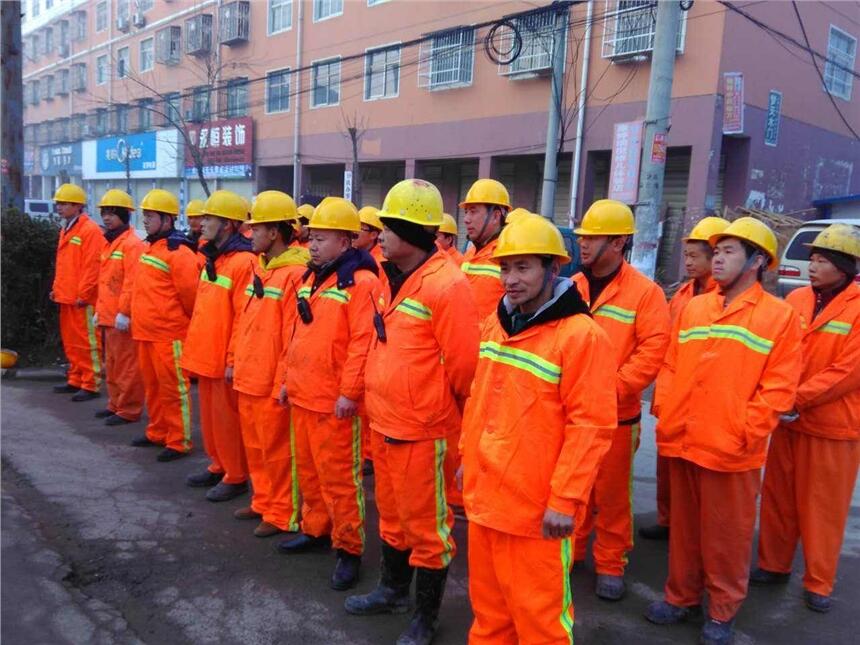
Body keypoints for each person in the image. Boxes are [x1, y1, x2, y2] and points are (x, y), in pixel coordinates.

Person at [459, 215, 617, 644]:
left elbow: (591, 426)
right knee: (489, 618)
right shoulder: (498, 324)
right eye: (505, 268)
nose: (510, 279)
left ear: (553, 268)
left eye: (524, 267)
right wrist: (466, 459)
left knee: (540, 624)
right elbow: (479, 399)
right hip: (487, 500)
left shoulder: (581, 336)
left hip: (536, 514)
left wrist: (564, 501)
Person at [645, 217, 802, 645]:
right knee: (686, 531)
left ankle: (722, 610)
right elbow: (673, 365)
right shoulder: (695, 307)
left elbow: (779, 388)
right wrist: (667, 410)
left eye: (729, 252)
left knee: (726, 538)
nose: (717, 259)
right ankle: (681, 597)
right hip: (683, 439)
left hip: (732, 449)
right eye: (716, 251)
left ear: (756, 262)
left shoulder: (778, 317)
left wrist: (745, 431)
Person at [345, 179, 479, 645]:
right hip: (385, 422)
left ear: (415, 233)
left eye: (389, 227)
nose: (379, 235)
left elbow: (465, 369)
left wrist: (446, 416)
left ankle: (425, 617)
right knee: (393, 518)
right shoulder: (388, 275)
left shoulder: (448, 285)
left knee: (428, 529)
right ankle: (392, 589)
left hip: (423, 430)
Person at [751, 223, 860, 614]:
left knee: (823, 509)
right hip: (787, 420)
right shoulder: (794, 299)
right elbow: (775, 352)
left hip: (833, 426)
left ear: (845, 267)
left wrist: (795, 397)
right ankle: (773, 564)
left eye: (822, 261)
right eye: (811, 259)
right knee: (778, 498)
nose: (812, 266)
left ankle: (819, 581)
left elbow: (848, 372)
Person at [277, 197, 381, 592]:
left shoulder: (362, 282)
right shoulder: (311, 278)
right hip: (305, 395)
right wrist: (287, 380)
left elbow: (362, 343)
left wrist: (349, 393)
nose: (313, 244)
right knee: (309, 473)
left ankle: (349, 549)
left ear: (346, 240)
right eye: (313, 237)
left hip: (335, 403)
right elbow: (296, 334)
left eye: (322, 238)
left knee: (340, 481)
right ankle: (316, 529)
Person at [571, 199, 671, 600]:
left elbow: (652, 351)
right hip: (573, 414)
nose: (584, 245)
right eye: (583, 237)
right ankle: (574, 550)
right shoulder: (571, 285)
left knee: (612, 496)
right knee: (574, 488)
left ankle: (611, 563)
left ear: (619, 242)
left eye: (593, 238)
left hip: (617, 416)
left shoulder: (645, 294)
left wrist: (610, 389)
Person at [640, 215, 730, 541]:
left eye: (695, 256)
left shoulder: (725, 299)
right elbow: (667, 348)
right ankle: (668, 520)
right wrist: (662, 398)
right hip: (675, 393)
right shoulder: (682, 295)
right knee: (668, 466)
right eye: (687, 255)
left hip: (706, 401)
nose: (688, 262)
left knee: (700, 474)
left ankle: (693, 527)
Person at [231, 191, 309, 538]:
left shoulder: (295, 274)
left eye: (257, 228)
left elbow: (294, 335)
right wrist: (234, 360)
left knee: (278, 452)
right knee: (256, 448)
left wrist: (283, 380)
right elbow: (243, 320)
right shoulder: (261, 269)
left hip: (270, 381)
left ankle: (282, 512)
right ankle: (263, 501)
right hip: (249, 376)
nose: (251, 234)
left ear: (275, 232)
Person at [182, 190, 255, 502]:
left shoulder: (243, 262)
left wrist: (232, 358)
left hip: (222, 356)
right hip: (205, 354)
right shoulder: (215, 258)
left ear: (227, 224)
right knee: (211, 422)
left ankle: (236, 475)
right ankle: (219, 464)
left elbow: (243, 317)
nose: (202, 222)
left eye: (209, 218)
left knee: (227, 423)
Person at [128, 189, 199, 462]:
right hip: (147, 332)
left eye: (151, 215)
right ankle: (157, 431)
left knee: (173, 389)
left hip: (169, 335)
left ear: (167, 219)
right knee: (153, 387)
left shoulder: (178, 252)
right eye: (145, 215)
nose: (145, 220)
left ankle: (179, 440)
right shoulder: (153, 246)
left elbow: (191, 297)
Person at [93, 189, 145, 426]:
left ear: (125, 215)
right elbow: (106, 282)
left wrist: (125, 312)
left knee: (126, 366)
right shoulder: (110, 242)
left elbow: (132, 282)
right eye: (104, 213)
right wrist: (99, 310)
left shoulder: (132, 244)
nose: (106, 218)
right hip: (108, 315)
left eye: (112, 213)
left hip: (120, 318)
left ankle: (128, 408)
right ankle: (115, 404)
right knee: (112, 365)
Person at [50, 183, 105, 401]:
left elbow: (93, 265)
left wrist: (84, 294)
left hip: (81, 299)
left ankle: (91, 383)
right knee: (71, 341)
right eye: (59, 203)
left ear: (77, 206)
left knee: (87, 342)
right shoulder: (68, 228)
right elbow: (63, 263)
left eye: (64, 203)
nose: (60, 207)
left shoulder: (89, 230)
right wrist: (56, 289)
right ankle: (75, 378)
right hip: (67, 296)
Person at [460, 179, 510, 320]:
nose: (466, 219)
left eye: (473, 211)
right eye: (466, 212)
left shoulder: (506, 254)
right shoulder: (471, 252)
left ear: (495, 216)